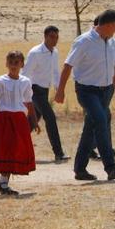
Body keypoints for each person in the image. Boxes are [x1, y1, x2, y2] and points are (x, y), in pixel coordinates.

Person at [55, 10, 115, 182]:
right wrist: (60, 90)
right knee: (101, 120)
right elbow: (68, 65)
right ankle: (110, 167)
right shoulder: (84, 41)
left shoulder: (113, 43)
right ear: (108, 25)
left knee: (91, 128)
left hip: (106, 91)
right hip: (87, 91)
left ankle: (80, 169)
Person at [0, 51, 38, 195]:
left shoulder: (25, 82)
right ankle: (3, 182)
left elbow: (28, 102)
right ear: (6, 64)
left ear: (22, 64)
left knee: (17, 149)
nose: (14, 66)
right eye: (11, 62)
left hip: (19, 120)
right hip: (3, 119)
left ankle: (4, 181)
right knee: (6, 149)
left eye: (17, 62)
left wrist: (34, 121)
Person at [22, 26, 69, 162]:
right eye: (52, 37)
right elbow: (25, 73)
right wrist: (24, 94)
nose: (55, 40)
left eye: (56, 37)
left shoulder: (55, 52)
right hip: (34, 90)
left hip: (45, 90)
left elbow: (55, 72)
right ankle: (59, 153)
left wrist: (59, 89)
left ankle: (11, 146)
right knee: (50, 118)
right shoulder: (35, 52)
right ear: (45, 36)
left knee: (31, 122)